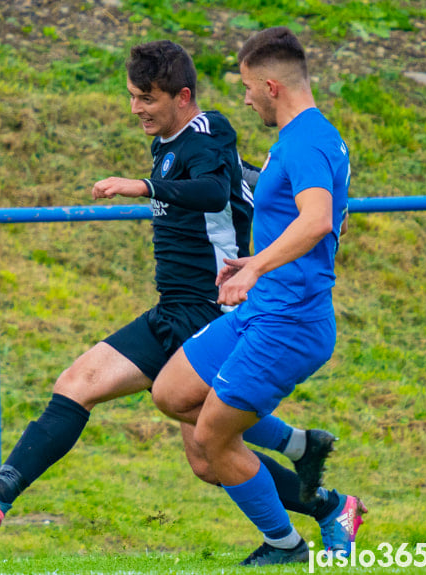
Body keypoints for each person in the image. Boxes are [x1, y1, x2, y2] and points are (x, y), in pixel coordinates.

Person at [0, 39, 361, 553]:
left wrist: (149, 191)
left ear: (181, 96)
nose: (136, 108)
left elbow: (227, 194)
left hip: (214, 307)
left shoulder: (216, 130)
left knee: (209, 448)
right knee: (86, 385)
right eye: (132, 96)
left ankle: (305, 520)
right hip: (179, 307)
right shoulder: (196, 145)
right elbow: (271, 196)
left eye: (146, 98)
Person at [150, 27, 363, 567]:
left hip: (289, 323)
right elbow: (319, 215)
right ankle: (301, 447)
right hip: (261, 310)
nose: (243, 98)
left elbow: (316, 220)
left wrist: (255, 265)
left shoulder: (306, 141)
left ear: (272, 85)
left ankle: (286, 546)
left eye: (247, 87)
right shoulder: (304, 139)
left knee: (212, 444)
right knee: (172, 393)